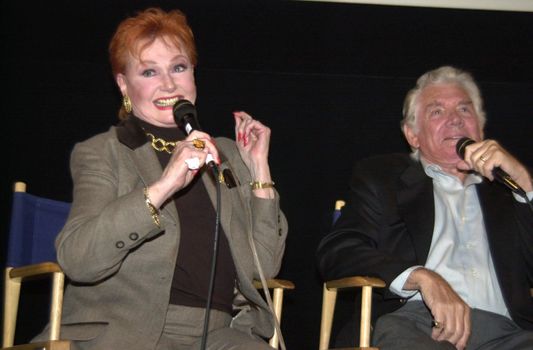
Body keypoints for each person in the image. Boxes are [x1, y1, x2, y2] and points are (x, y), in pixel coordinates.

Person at [33, 7, 288, 350]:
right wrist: (164, 185)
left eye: (178, 67)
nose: (169, 84)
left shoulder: (224, 153)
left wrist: (259, 169)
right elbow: (78, 259)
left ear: (193, 74)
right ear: (124, 84)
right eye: (149, 71)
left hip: (219, 334)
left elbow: (264, 268)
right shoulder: (104, 152)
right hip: (130, 330)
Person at [316, 66, 533, 350]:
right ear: (412, 135)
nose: (455, 120)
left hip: (508, 333)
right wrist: (420, 277)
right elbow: (338, 250)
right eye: (437, 112)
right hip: (417, 323)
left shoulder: (507, 192)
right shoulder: (383, 179)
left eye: (465, 110)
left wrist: (525, 184)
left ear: (480, 129)